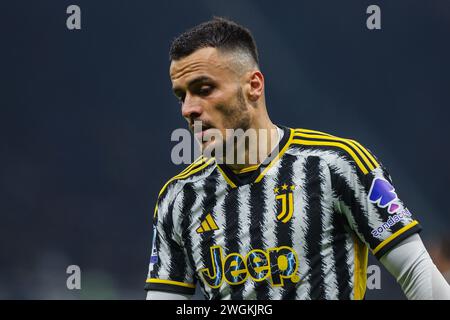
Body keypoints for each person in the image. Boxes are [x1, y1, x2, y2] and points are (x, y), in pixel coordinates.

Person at [145, 17, 450, 300]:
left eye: (204, 89)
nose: (188, 109)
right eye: (181, 95)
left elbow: (418, 274)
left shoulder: (338, 165)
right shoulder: (179, 198)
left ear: (253, 86)